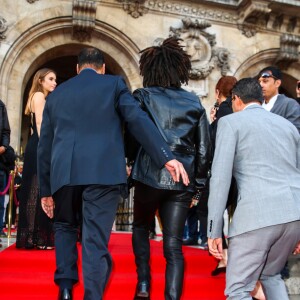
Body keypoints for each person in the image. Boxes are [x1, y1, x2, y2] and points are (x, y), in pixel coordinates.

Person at [37, 47, 189, 300]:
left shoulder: (57, 93)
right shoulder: (114, 84)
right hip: (102, 173)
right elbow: (136, 120)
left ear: (77, 68)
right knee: (94, 240)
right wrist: (166, 157)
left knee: (64, 227)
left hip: (63, 175)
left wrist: (45, 189)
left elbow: (45, 145)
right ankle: (92, 296)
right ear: (103, 68)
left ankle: (64, 290)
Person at [128, 37, 211, 300]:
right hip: (182, 179)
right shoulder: (194, 102)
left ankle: (143, 284)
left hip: (148, 173)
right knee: (173, 244)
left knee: (141, 227)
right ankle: (172, 296)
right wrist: (196, 186)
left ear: (150, 69)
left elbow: (132, 135)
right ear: (180, 70)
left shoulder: (142, 96)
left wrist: (131, 163)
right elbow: (204, 150)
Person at [207, 77, 300, 300]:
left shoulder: (230, 123)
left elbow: (220, 178)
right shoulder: (288, 126)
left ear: (236, 100)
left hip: (256, 216)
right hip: (293, 215)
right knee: (271, 276)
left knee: (238, 290)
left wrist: (213, 229)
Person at [16, 68, 57, 249]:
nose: (54, 82)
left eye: (55, 79)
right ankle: (34, 236)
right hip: (39, 146)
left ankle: (34, 236)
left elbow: (33, 128)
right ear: (40, 80)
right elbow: (39, 125)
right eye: (51, 79)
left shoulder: (38, 97)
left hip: (36, 145)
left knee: (37, 190)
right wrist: (47, 148)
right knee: (35, 190)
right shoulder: (39, 96)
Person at [209, 76, 238, 276]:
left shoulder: (224, 111)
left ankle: (225, 257)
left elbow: (214, 144)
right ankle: (229, 258)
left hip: (227, 173)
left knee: (216, 213)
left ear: (218, 92)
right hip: (239, 173)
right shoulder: (236, 110)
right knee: (234, 217)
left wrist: (212, 123)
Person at [257, 65, 300, 132]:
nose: (261, 85)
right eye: (260, 82)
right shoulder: (256, 106)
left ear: (277, 83)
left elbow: (295, 132)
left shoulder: (290, 105)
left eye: (265, 81)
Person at [0, 99, 11, 237]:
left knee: (0, 201)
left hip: (0, 161)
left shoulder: (1, 105)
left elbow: (6, 132)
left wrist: (3, 147)